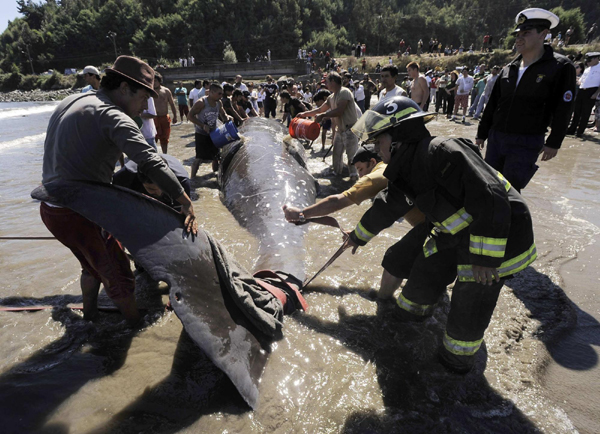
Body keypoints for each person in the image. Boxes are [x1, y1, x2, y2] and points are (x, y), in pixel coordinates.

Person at [347, 96, 537, 374]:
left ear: (398, 137)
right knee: (424, 272)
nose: (376, 148)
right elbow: (387, 208)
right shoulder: (405, 169)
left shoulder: (444, 151)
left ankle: (453, 369)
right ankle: (405, 322)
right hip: (456, 234)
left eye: (379, 140)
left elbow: (492, 197)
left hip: (498, 239)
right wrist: (356, 237)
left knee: (468, 308)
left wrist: (484, 259)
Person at [40, 55, 197, 325]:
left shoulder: (74, 101)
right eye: (142, 97)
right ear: (124, 88)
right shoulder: (113, 116)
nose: (145, 106)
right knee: (119, 273)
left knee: (91, 266)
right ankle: (135, 326)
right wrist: (184, 201)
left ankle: (90, 317)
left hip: (50, 207)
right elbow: (150, 160)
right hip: (80, 212)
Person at [476, 8, 576, 192]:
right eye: (518, 35)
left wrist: (554, 142)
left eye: (526, 33)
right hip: (497, 137)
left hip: (526, 140)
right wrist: (482, 133)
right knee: (488, 186)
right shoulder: (509, 68)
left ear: (543, 34)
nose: (519, 39)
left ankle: (511, 221)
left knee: (510, 190)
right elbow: (493, 104)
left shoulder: (559, 67)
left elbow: (564, 108)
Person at [282, 145, 389, 222]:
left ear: (372, 163)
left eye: (360, 169)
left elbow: (336, 202)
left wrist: (300, 214)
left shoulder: (373, 178)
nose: (360, 176)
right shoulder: (389, 166)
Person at [298, 72, 360, 180]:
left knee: (352, 159)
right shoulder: (331, 97)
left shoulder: (344, 92)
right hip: (340, 131)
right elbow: (319, 109)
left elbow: (339, 111)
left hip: (351, 130)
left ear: (332, 81)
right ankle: (337, 179)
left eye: (327, 82)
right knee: (336, 157)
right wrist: (304, 114)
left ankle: (354, 180)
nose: (326, 84)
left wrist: (323, 116)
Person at [112, 154, 191, 211]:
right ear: (140, 181)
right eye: (151, 188)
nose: (159, 192)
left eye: (162, 187)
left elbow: (181, 214)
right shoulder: (123, 178)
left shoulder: (182, 183)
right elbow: (115, 205)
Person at [188, 83, 232, 177]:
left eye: (222, 94)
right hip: (201, 133)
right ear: (211, 92)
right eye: (219, 94)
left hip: (214, 133)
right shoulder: (201, 102)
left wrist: (228, 117)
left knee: (216, 157)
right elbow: (190, 116)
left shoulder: (219, 103)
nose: (221, 96)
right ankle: (192, 180)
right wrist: (202, 125)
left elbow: (223, 115)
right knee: (199, 158)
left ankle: (215, 176)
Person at [566, 52, 600, 138]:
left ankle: (580, 131)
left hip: (592, 91)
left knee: (585, 112)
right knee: (577, 111)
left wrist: (596, 93)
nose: (588, 62)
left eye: (590, 60)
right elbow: (582, 80)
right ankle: (572, 129)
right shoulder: (588, 69)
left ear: (596, 58)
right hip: (582, 90)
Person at [152, 73, 178, 154]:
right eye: (152, 81)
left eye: (155, 80)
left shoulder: (166, 91)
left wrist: (175, 116)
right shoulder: (149, 91)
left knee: (164, 139)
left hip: (164, 118)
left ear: (159, 81)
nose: (153, 82)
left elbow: (172, 104)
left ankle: (165, 155)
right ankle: (153, 157)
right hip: (152, 118)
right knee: (152, 138)